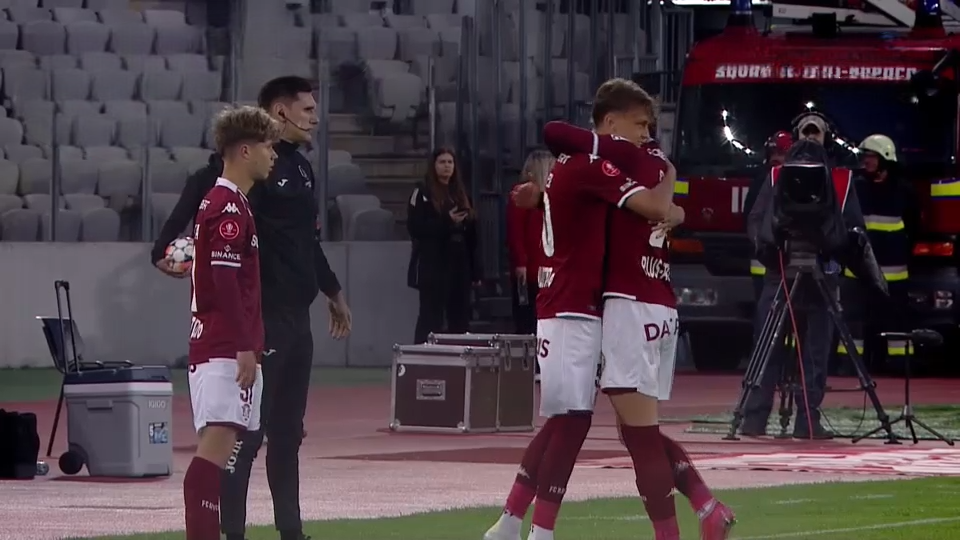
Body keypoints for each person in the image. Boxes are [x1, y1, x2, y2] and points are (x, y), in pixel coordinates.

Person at [152, 75, 351, 540]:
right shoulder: (232, 183)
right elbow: (179, 239)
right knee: (242, 437)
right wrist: (180, 257)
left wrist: (332, 291)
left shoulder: (299, 169)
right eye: (307, 109)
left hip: (294, 320)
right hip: (256, 323)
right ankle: (231, 531)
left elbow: (307, 243)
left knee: (288, 434)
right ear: (279, 114)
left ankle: (291, 531)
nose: (315, 118)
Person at [483, 78, 679, 540]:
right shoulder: (594, 166)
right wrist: (669, 176)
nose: (645, 135)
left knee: (564, 422)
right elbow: (655, 206)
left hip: (567, 304)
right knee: (572, 423)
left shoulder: (566, 167)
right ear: (610, 122)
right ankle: (540, 532)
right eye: (639, 125)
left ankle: (510, 522)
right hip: (574, 307)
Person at [540, 122, 735, 539]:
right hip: (660, 305)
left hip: (629, 304)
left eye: (645, 123)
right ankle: (706, 505)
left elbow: (554, 131)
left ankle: (689, 521)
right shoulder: (655, 163)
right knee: (634, 428)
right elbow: (671, 209)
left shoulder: (621, 157)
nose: (644, 130)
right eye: (641, 122)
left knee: (640, 436)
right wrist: (674, 194)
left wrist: (604, 146)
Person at [182, 106, 278, 540]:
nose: (272, 156)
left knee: (219, 449)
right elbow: (224, 280)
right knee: (214, 453)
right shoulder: (229, 207)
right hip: (224, 347)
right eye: (267, 147)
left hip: (214, 344)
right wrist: (244, 345)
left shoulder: (224, 201)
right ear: (245, 151)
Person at [742, 139, 865, 439]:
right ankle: (757, 418)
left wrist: (831, 256)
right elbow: (757, 223)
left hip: (816, 274)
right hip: (781, 274)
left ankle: (804, 420)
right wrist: (773, 253)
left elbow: (851, 229)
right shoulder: (776, 177)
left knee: (812, 351)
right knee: (771, 347)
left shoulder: (841, 181)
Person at [839, 135, 915, 372]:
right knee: (853, 317)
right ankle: (849, 364)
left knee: (897, 318)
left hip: (893, 270)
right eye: (864, 156)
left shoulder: (903, 190)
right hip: (858, 268)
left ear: (885, 159)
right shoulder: (855, 187)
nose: (866, 161)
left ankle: (900, 364)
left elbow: (914, 226)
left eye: (871, 157)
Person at [407, 148, 480, 343]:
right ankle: (422, 354)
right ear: (434, 165)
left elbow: (472, 236)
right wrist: (446, 221)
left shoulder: (462, 193)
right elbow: (415, 227)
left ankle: (458, 356)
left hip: (459, 262)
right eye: (442, 162)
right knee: (430, 316)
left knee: (460, 316)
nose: (447, 166)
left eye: (450, 162)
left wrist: (475, 271)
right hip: (433, 263)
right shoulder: (422, 192)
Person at [506, 150, 554, 335]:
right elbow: (516, 232)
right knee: (527, 319)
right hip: (531, 269)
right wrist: (521, 263)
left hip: (547, 268)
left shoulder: (550, 196)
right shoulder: (523, 194)